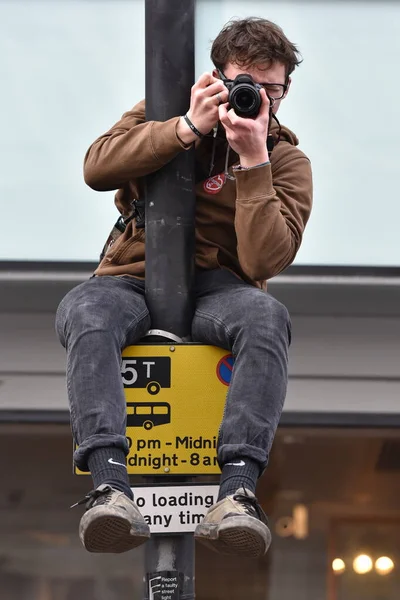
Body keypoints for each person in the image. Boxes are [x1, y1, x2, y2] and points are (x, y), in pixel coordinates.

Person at [56, 16, 312, 558]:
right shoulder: (164, 110)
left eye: (272, 89)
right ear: (218, 76)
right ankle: (109, 485)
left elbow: (265, 258)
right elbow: (97, 167)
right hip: (130, 277)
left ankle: (238, 490)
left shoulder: (286, 160)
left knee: (268, 318)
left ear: (285, 90)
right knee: (86, 309)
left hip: (223, 289)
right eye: (246, 84)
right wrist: (185, 129)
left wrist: (254, 161)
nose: (258, 98)